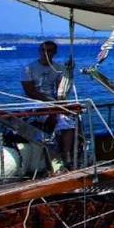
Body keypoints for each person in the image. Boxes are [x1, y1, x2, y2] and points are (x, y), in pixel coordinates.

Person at [22, 41, 75, 170]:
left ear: (54, 52)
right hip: (35, 103)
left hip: (53, 103)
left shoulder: (58, 69)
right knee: (52, 117)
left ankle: (67, 155)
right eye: (44, 50)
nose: (46, 53)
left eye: (50, 50)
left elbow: (61, 91)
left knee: (68, 121)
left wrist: (69, 73)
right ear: (40, 51)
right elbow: (30, 91)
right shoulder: (28, 68)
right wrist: (50, 103)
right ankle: (50, 152)